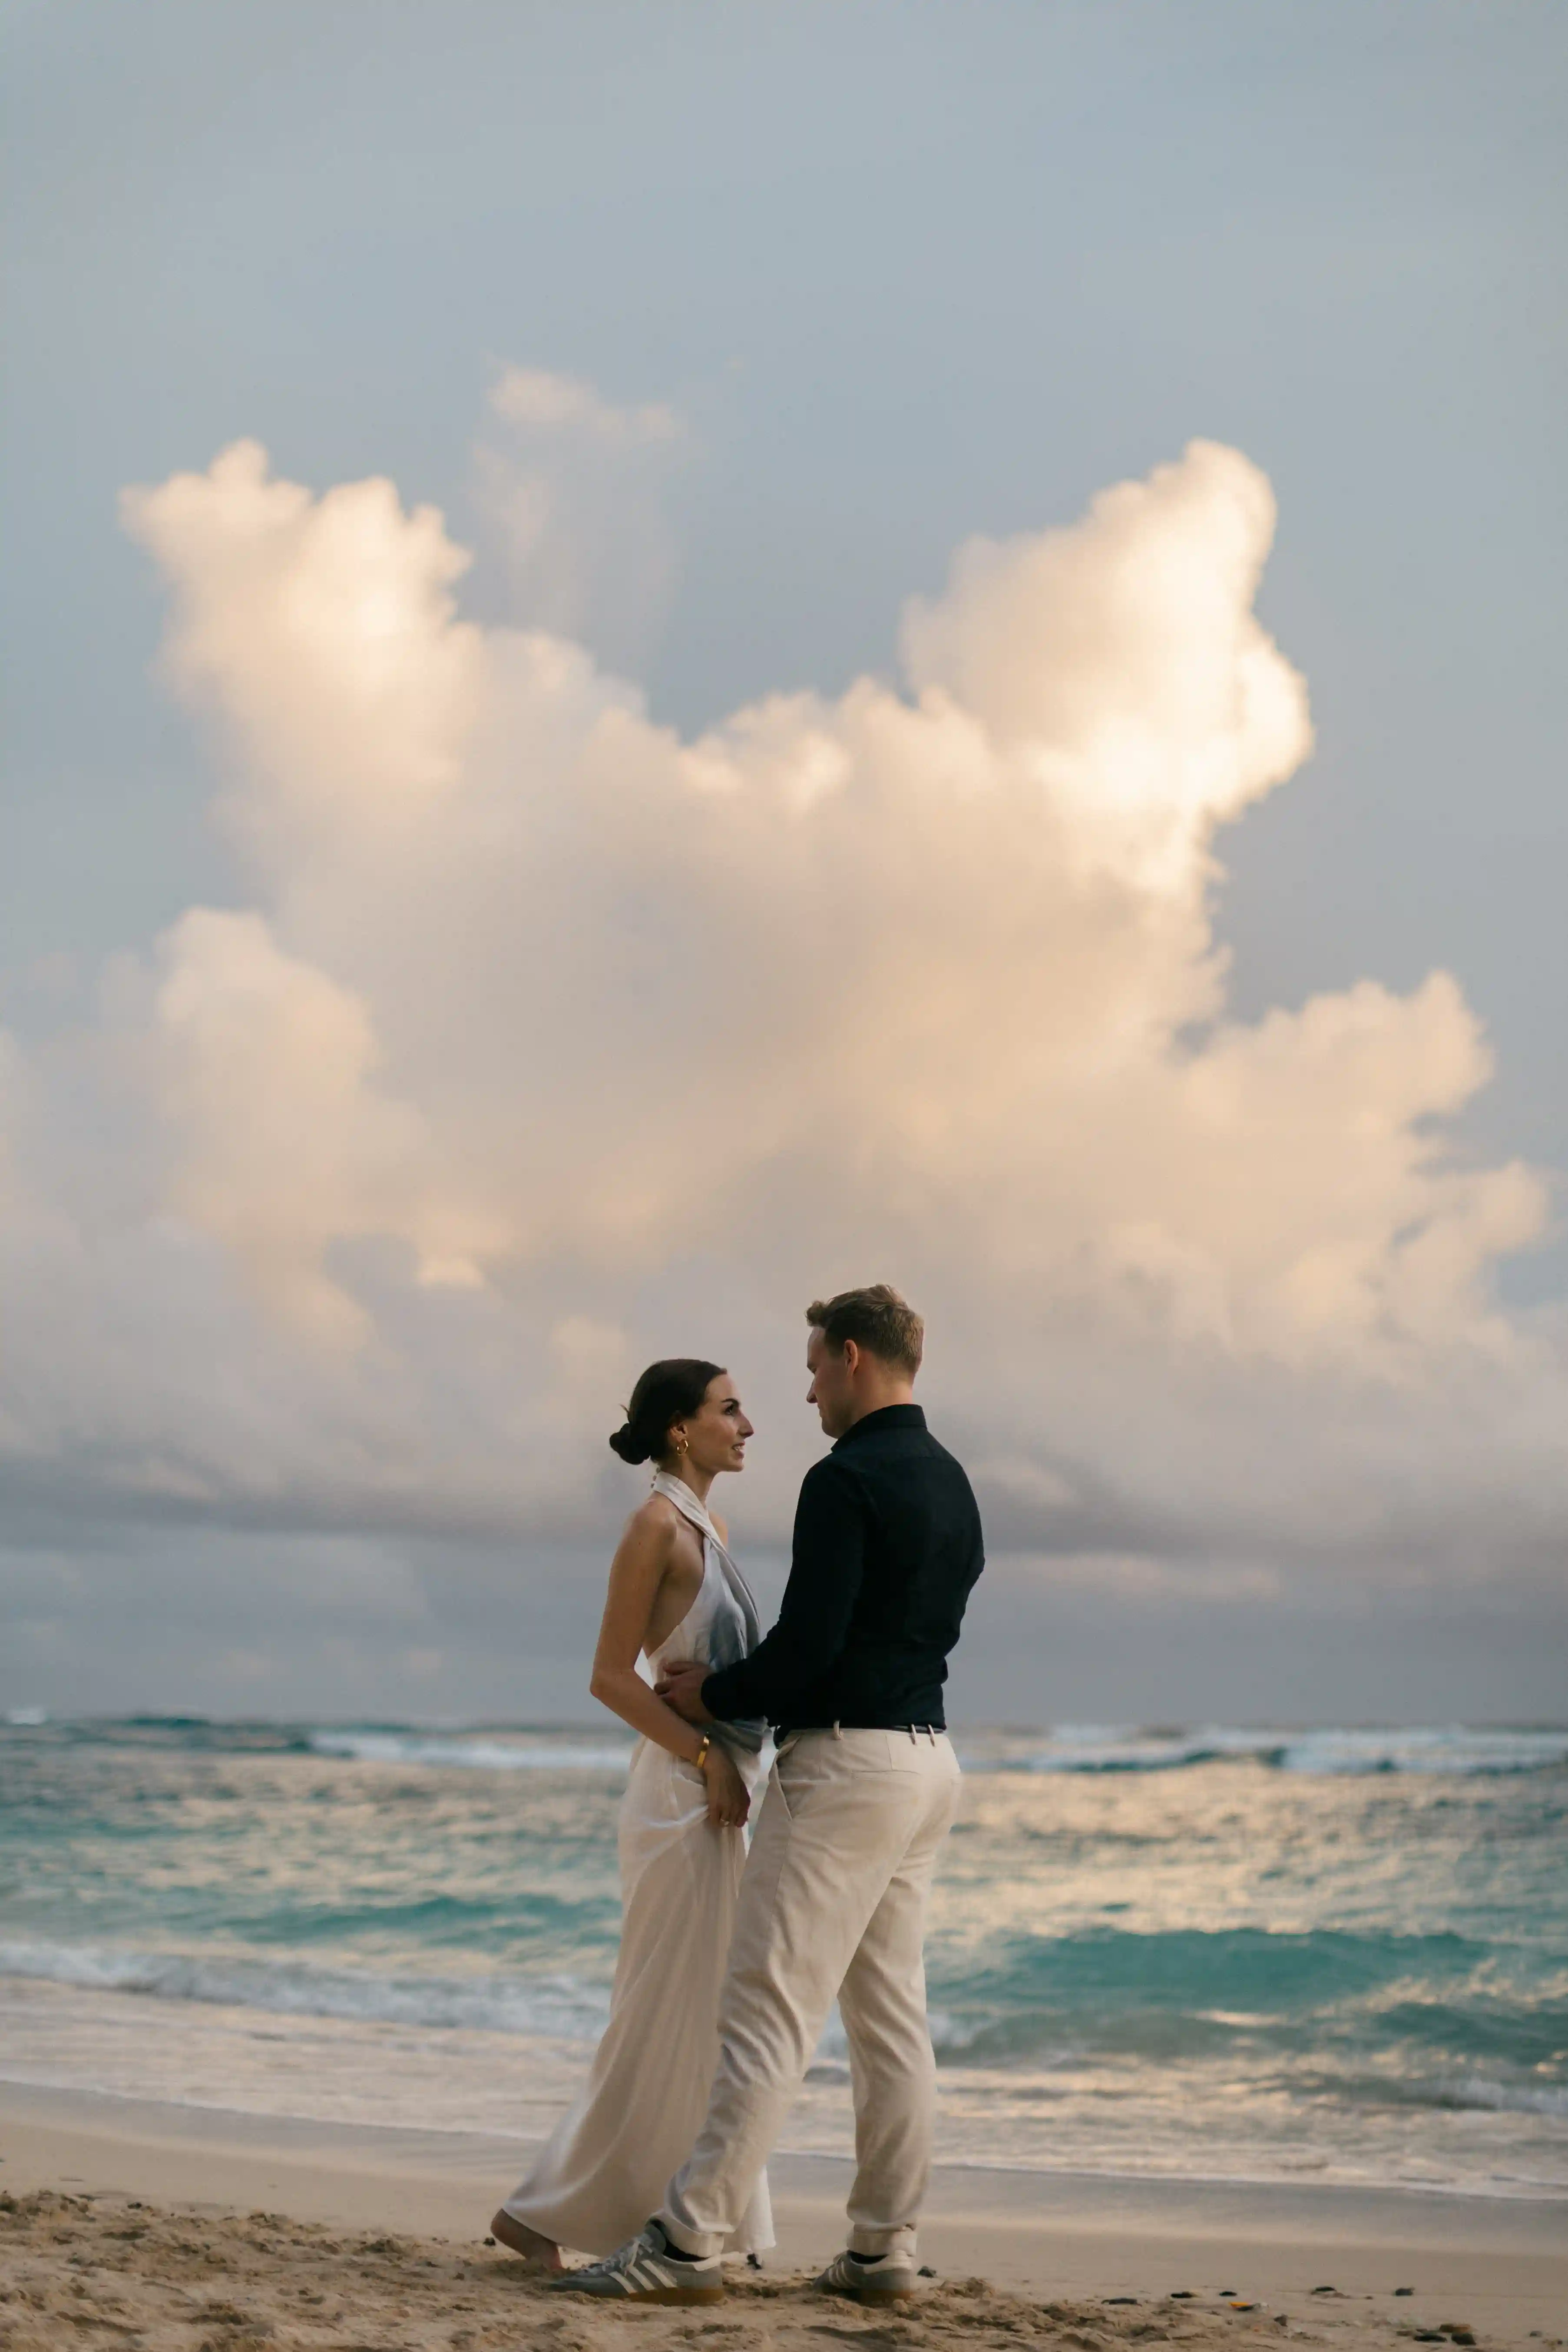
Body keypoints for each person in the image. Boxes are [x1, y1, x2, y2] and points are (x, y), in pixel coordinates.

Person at [556, 1285, 985, 2308]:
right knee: (891, 2020)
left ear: (848, 1357)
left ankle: (687, 2241)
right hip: (930, 1764)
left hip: (844, 1769)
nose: (803, 1394)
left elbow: (809, 1647)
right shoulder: (955, 1482)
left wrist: (718, 1695)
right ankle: (884, 2250)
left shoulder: (845, 1481)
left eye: (808, 1371)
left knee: (765, 2011)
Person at [488, 1359, 774, 2270]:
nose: (748, 1424)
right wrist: (702, 1758)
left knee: (701, 2013)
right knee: (656, 2009)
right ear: (680, 1429)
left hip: (716, 1793)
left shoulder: (709, 1523)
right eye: (730, 1409)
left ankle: (689, 2216)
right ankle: (540, 2213)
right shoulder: (653, 1524)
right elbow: (610, 1676)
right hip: (678, 1798)